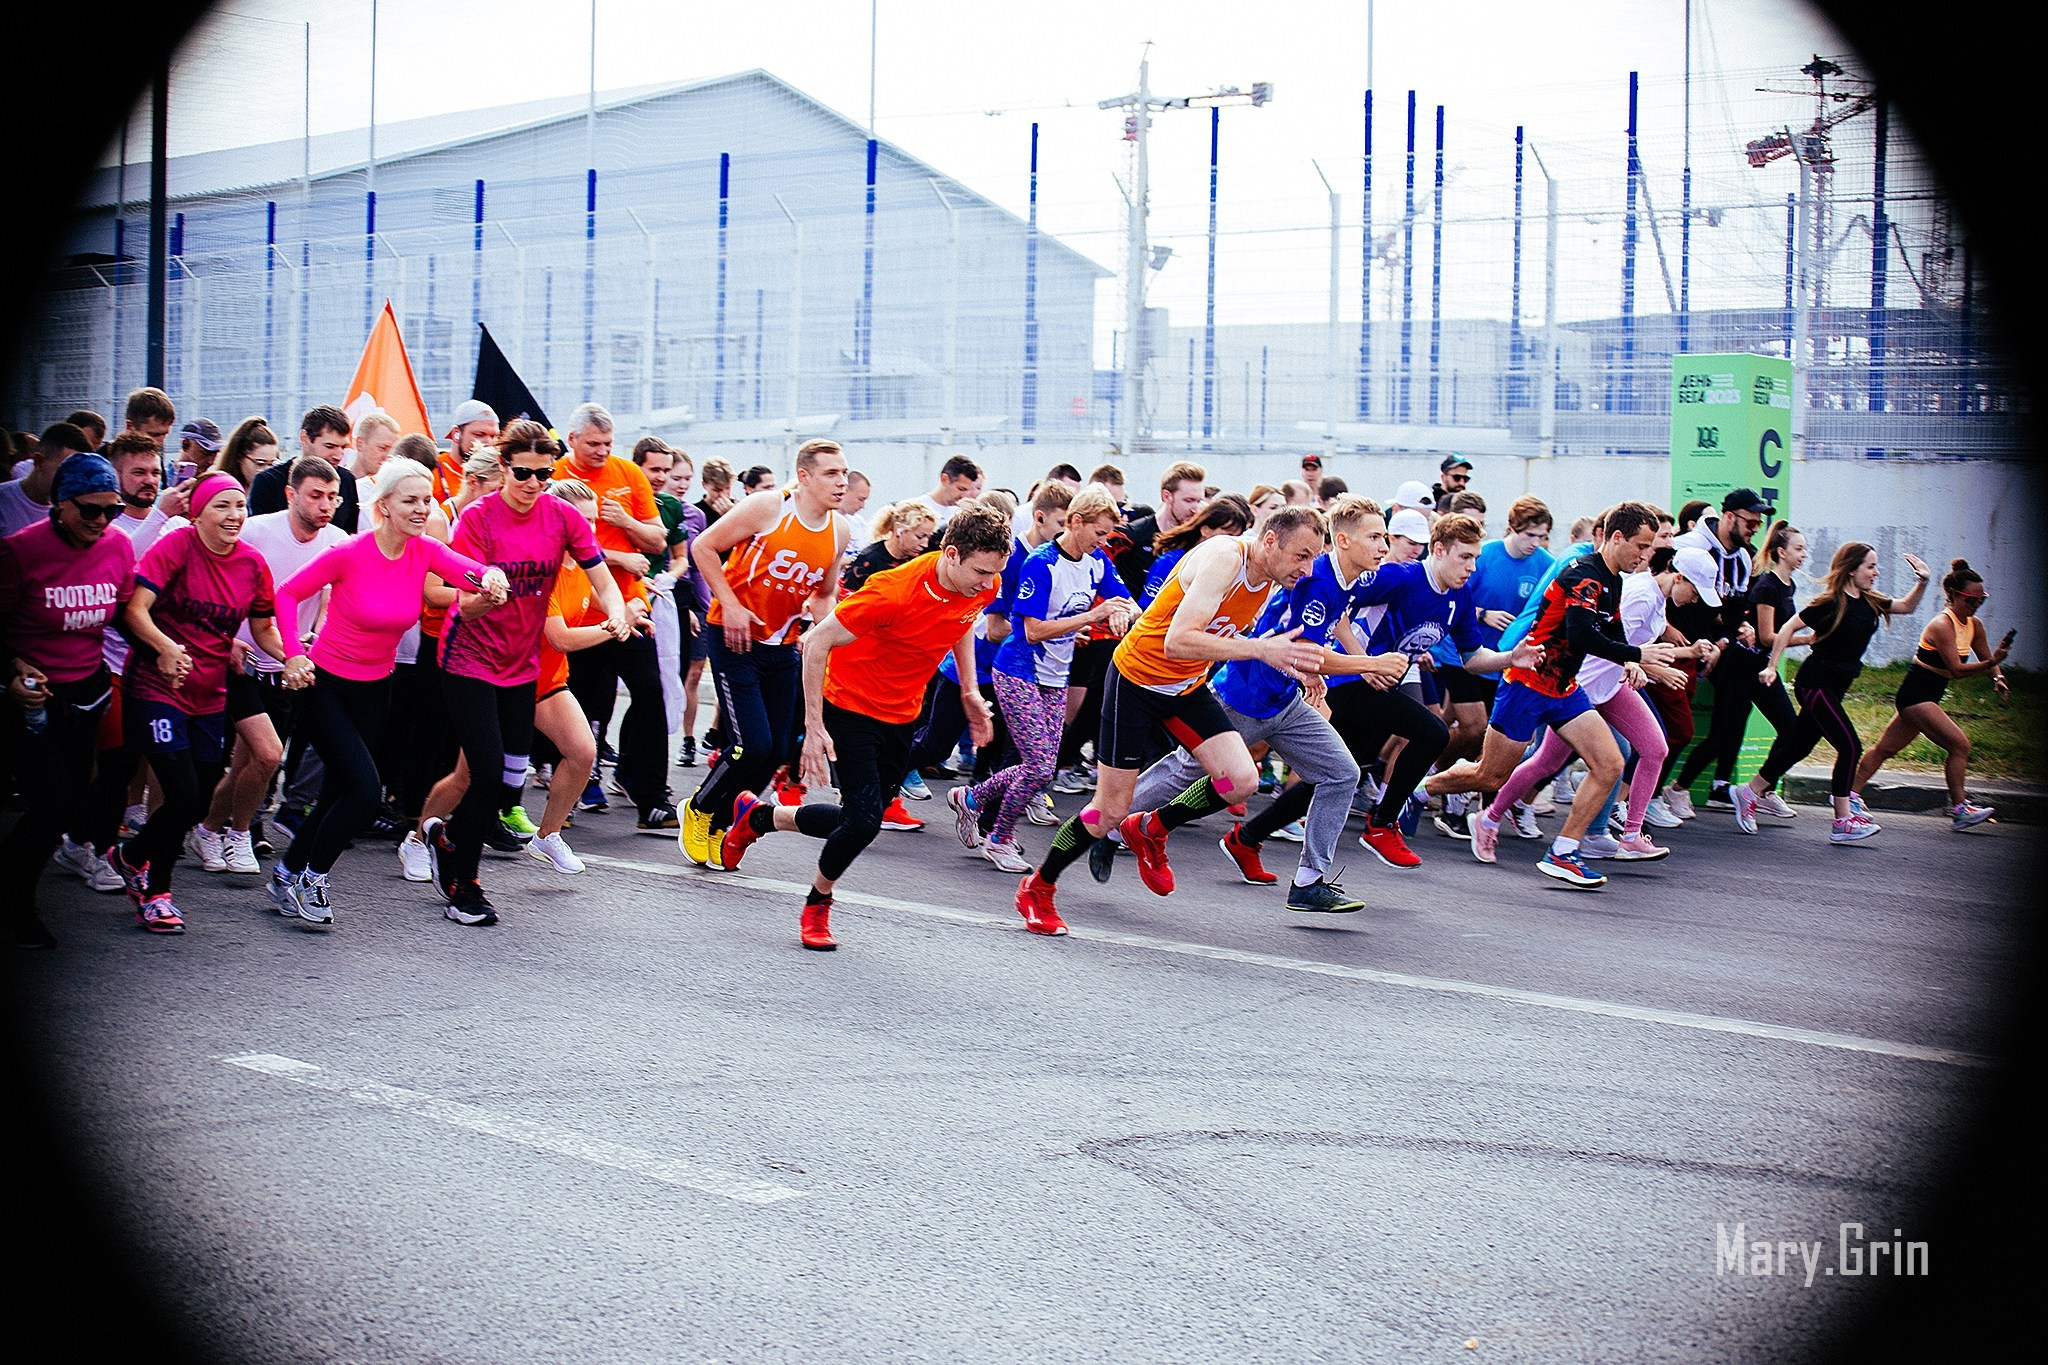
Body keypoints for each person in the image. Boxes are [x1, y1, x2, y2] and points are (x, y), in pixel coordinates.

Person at [1011, 506, 1330, 935]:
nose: (1307, 569)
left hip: (1185, 688)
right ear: (1270, 541)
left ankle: (1151, 828)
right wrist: (1260, 649)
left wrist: (1296, 664)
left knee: (1241, 780)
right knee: (1108, 810)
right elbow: (1178, 641)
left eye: (1313, 558)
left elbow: (1230, 635)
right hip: (1136, 682)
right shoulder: (1225, 557)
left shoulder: (1271, 577)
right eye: (1302, 556)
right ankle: (1038, 887)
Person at [713, 506, 1013, 950]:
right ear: (951, 554)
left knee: (858, 817)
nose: (989, 584)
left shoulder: (983, 584)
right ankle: (818, 904)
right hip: (849, 706)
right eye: (982, 572)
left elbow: (962, 623)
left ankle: (757, 816)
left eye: (994, 573)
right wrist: (814, 727)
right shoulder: (893, 591)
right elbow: (815, 642)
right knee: (864, 823)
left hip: (903, 713)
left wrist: (969, 690)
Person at [1091, 496, 1412, 911]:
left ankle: (1308, 881)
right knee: (1188, 771)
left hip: (1285, 699)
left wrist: (1315, 671)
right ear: (1345, 541)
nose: (1384, 546)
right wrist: (1368, 663)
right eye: (1375, 537)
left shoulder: (1343, 579)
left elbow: (1320, 632)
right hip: (1245, 696)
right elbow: (1297, 648)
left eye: (1385, 537)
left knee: (1341, 773)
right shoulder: (1314, 581)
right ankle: (1111, 825)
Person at [268, 460, 505, 924]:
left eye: (426, 500)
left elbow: (474, 573)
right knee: (362, 791)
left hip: (376, 690)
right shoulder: (349, 551)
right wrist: (293, 654)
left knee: (338, 792)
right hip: (325, 686)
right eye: (410, 500)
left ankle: (286, 874)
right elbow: (286, 593)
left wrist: (492, 577)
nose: (421, 509)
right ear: (385, 506)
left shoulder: (426, 551)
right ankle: (313, 880)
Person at [423, 423, 630, 924]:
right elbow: (449, 598)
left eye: (543, 474)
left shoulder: (562, 517)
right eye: (522, 473)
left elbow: (602, 577)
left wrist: (617, 612)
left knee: (507, 781)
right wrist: (481, 595)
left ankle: (446, 838)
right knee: (486, 771)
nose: (533, 483)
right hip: (468, 658)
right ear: (503, 467)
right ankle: (465, 887)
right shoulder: (479, 518)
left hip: (521, 667)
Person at [1427, 502, 1677, 889]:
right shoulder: (1584, 576)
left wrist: (1631, 660)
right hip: (1526, 685)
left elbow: (1611, 628)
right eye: (1641, 546)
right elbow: (1581, 634)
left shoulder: (1613, 579)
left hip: (1564, 688)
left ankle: (1563, 851)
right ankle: (1418, 788)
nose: (1646, 555)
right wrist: (1637, 654)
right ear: (1616, 538)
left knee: (1610, 763)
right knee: (1490, 776)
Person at [112, 474, 305, 932]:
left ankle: (132, 855)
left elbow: (263, 628)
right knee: (180, 792)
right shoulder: (176, 547)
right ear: (197, 514)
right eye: (222, 506)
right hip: (158, 686)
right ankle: (157, 892)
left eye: (240, 506)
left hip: (209, 694)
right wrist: (165, 647)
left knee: (196, 800)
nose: (235, 515)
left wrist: (293, 656)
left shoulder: (251, 563)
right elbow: (135, 609)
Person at [1328, 512, 1538, 867]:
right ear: (1439, 550)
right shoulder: (1401, 576)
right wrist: (1364, 662)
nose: (1472, 567)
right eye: (1465, 556)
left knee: (1337, 773)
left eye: (1475, 558)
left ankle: (1247, 838)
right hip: (1348, 680)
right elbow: (1337, 602)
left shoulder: (1461, 596)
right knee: (1432, 731)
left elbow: (1472, 658)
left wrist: (1510, 658)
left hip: (1383, 684)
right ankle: (1382, 823)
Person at [680, 437, 850, 865]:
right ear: (804, 476)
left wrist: (826, 634)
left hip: (783, 645)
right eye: (832, 473)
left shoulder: (839, 530)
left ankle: (721, 822)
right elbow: (703, 547)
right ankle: (698, 808)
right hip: (734, 637)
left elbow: (823, 594)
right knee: (752, 745)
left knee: (775, 751)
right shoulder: (770, 507)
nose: (842, 482)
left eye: (845, 473)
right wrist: (731, 604)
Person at [949, 486, 1131, 873]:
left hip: (1055, 676)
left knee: (1042, 766)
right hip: (1018, 670)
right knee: (1039, 767)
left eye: (1107, 535)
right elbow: (1031, 631)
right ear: (1076, 522)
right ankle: (999, 839)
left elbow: (1126, 601)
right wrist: (1091, 617)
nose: (1104, 541)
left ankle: (972, 798)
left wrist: (1120, 611)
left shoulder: (1097, 561)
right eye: (1099, 533)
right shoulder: (1042, 562)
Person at [0, 455, 136, 947]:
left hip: (86, 695)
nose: (102, 521)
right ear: (60, 504)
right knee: (52, 805)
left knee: (73, 802)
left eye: (112, 510)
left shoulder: (118, 545)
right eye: (90, 510)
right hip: (30, 701)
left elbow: (126, 614)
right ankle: (15, 907)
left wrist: (165, 647)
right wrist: (12, 669)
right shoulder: (19, 551)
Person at [189, 454, 346, 875]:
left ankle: (210, 829)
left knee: (254, 762)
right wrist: (225, 640)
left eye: (332, 497)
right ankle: (238, 833)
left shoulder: (337, 539)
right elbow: (216, 580)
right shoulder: (256, 530)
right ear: (291, 494)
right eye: (315, 495)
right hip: (238, 660)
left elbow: (330, 599)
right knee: (266, 754)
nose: (326, 505)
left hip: (288, 664)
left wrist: (314, 640)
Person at [1735, 544, 1931, 843]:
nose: (1876, 572)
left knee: (1799, 747)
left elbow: (1906, 606)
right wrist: (1772, 666)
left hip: (1836, 686)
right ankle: (1842, 820)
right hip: (1815, 683)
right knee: (1850, 746)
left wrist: (1923, 581)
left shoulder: (1871, 601)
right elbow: (1786, 628)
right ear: (1852, 569)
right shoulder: (1830, 603)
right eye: (1870, 566)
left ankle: (1749, 793)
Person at [554, 404, 676, 832]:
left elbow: (658, 541)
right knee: (586, 703)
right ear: (572, 440)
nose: (603, 451)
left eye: (608, 443)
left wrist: (626, 522)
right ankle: (568, 793)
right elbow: (558, 542)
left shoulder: (628, 474)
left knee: (650, 692)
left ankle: (651, 796)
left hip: (630, 605)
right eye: (594, 444)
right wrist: (619, 555)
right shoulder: (554, 478)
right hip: (577, 612)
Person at [1851, 558, 2008, 829]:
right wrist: (1992, 662)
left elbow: (1985, 658)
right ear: (1955, 595)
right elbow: (1957, 670)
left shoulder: (1974, 625)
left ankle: (1848, 795)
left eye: (1982, 599)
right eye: (1971, 600)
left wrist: (1998, 676)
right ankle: (1960, 808)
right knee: (1960, 745)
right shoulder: (1942, 625)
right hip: (1917, 695)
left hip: (1928, 697)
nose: (1976, 605)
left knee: (1885, 749)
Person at [1670, 487, 1774, 809]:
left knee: (1734, 712)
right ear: (1729, 517)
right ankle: (1652, 793)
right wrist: (1673, 634)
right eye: (1751, 523)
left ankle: (1717, 786)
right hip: (1674, 645)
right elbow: (1671, 595)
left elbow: (1732, 611)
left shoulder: (1743, 557)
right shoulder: (1689, 546)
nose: (1755, 530)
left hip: (1708, 648)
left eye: (1759, 524)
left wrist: (1727, 638)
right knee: (1672, 729)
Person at [250, 407, 361, 534]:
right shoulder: (268, 482)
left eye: (343, 447)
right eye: (330, 446)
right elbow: (260, 534)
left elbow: (351, 536)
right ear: (304, 438)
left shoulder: (347, 481)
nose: (338, 455)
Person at [1107, 461, 1206, 599]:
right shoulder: (1131, 537)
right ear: (1166, 496)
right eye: (1188, 501)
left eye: (1199, 501)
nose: (1195, 509)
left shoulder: (1200, 540)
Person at [1139, 494, 1253, 608]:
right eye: (1228, 535)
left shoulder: (1225, 569)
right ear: (1205, 530)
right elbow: (1148, 606)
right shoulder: (1170, 562)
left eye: (1237, 538)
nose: (1233, 543)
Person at [0, 422, 93, 537]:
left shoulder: (77, 509)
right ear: (39, 462)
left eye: (80, 474)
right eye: (67, 471)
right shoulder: (3, 501)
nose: (73, 481)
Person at [846, 502, 939, 595]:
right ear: (899, 529)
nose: (925, 544)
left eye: (928, 538)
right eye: (920, 536)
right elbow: (848, 597)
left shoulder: (921, 559)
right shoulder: (868, 560)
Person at [431, 400, 500, 506]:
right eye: (479, 435)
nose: (488, 442)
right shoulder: (432, 471)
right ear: (456, 434)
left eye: (494, 436)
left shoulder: (503, 472)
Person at [917, 455, 984, 533]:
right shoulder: (918, 508)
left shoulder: (961, 513)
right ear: (944, 479)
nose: (964, 495)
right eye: (961, 489)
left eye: (968, 490)